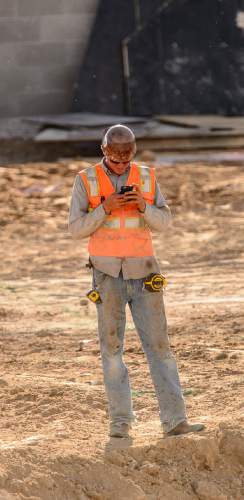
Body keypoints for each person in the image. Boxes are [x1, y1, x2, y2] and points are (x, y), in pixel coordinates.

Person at [68, 124, 205, 438]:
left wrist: (144, 206)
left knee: (159, 348)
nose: (120, 164)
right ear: (104, 151)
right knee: (112, 350)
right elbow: (76, 229)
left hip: (144, 272)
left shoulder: (145, 177)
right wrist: (105, 208)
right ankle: (121, 423)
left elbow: (165, 222)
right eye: (115, 158)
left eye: (126, 158)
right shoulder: (85, 180)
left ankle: (175, 420)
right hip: (106, 275)